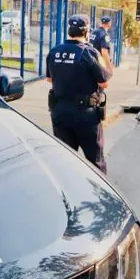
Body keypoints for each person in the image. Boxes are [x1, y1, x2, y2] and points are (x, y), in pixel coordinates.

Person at [46, 14, 114, 175]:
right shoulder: (89, 53)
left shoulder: (55, 51)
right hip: (85, 116)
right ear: (86, 32)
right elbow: (104, 82)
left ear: (69, 30)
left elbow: (49, 79)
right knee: (95, 161)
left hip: (59, 113)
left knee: (64, 159)